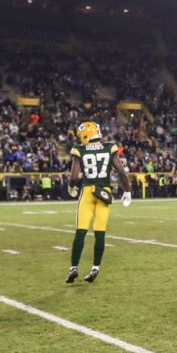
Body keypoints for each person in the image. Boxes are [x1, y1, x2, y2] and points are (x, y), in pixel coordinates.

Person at [67, 121, 133, 284]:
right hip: (104, 193)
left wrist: (71, 187)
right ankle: (95, 267)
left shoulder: (79, 149)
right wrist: (128, 190)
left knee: (81, 231)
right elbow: (121, 171)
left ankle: (74, 267)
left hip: (87, 192)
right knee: (100, 232)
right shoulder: (109, 147)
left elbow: (74, 176)